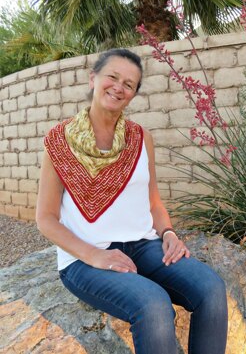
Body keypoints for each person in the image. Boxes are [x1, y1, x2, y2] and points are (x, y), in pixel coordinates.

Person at [36, 48, 228, 354]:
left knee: (211, 288)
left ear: (134, 94)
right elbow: (45, 218)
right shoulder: (59, 141)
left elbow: (153, 203)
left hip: (143, 246)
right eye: (112, 77)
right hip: (85, 259)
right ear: (93, 79)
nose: (118, 87)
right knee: (153, 304)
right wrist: (94, 256)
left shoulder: (141, 138)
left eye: (129, 84)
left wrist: (168, 234)